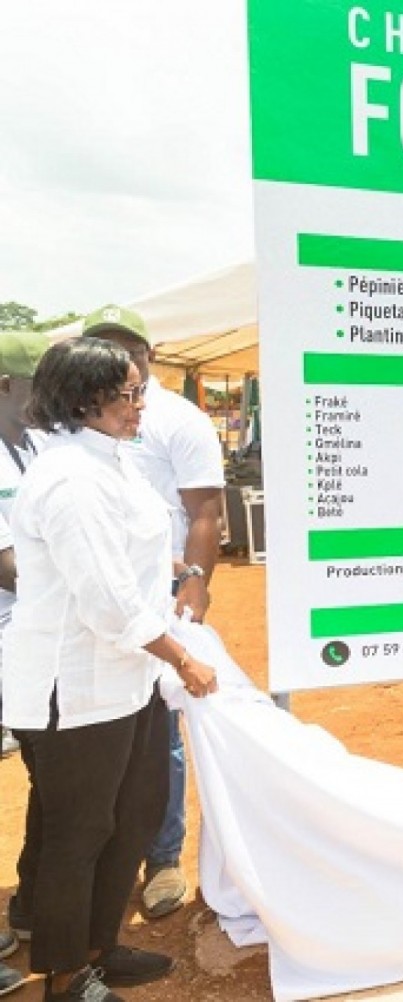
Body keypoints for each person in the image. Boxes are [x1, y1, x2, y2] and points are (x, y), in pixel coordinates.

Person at [1, 338, 218, 1002]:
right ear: (83, 399)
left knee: (134, 813)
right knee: (81, 830)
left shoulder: (112, 462)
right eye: (127, 393)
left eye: (140, 389)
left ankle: (100, 944)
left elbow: (136, 560)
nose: (140, 403)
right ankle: (66, 974)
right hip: (78, 686)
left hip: (127, 676)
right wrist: (182, 656)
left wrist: (184, 573)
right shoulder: (69, 478)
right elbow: (104, 599)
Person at [81, 304, 226, 920]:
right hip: (95, 599)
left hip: (158, 597)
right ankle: (98, 859)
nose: (119, 358)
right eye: (104, 346)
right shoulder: (81, 417)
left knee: (160, 727)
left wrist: (193, 584)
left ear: (151, 353)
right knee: (105, 727)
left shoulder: (179, 419)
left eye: (127, 347)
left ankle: (163, 859)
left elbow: (203, 512)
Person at [0, 331, 48, 997]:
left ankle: (33, 905)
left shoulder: (33, 444)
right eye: (36, 384)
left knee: (53, 770)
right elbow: (9, 563)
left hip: (31, 642)